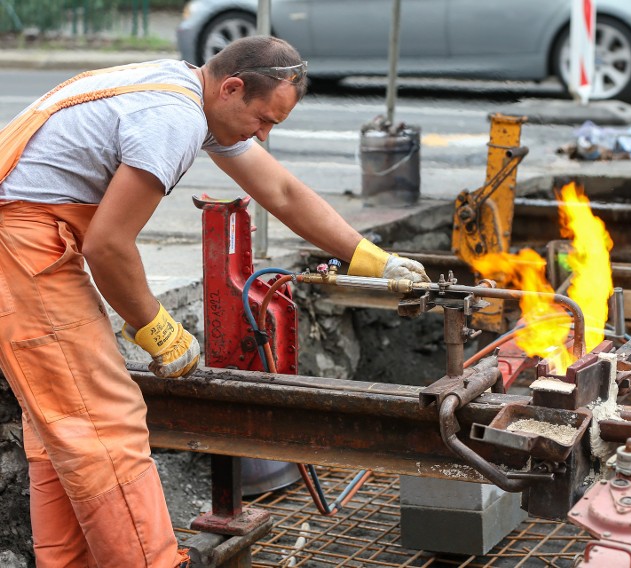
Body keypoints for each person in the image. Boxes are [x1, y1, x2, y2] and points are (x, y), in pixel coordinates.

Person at [0, 36, 428, 567]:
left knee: (62, 423)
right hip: (20, 242)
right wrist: (156, 328)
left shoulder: (190, 93)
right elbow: (108, 245)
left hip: (26, 237)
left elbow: (283, 192)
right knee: (105, 420)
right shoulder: (175, 118)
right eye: (264, 120)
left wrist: (369, 258)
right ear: (232, 88)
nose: (264, 136)